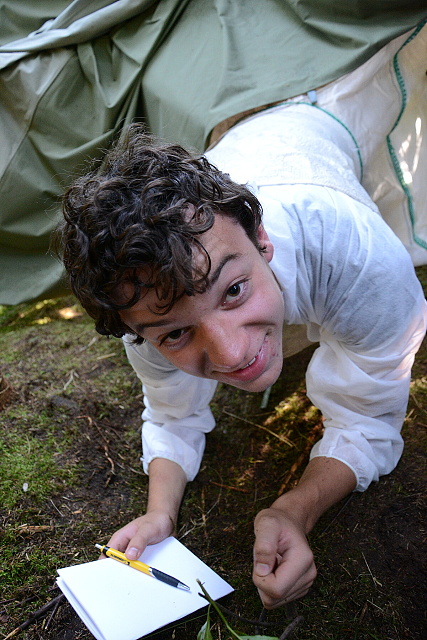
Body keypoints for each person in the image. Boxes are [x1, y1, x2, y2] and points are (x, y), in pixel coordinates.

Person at [57, 98, 427, 607]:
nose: (232, 356)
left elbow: (368, 418)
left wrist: (298, 508)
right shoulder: (141, 308)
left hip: (319, 125)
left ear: (261, 238)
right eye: (176, 334)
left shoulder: (361, 257)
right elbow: (171, 413)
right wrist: (159, 512)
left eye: (232, 290)